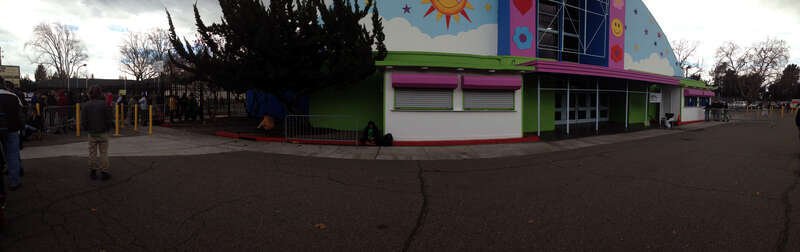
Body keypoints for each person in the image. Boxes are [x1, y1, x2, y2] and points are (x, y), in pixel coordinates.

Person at [82, 86, 113, 181]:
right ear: (100, 93)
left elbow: (84, 120)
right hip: (103, 132)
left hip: (92, 132)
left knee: (92, 153)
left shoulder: (86, 105)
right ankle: (104, 172)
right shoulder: (105, 104)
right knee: (104, 153)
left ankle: (93, 172)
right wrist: (107, 128)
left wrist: (87, 128)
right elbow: (109, 119)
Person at [0, 78, 25, 191]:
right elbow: (20, 114)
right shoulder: (13, 96)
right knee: (13, 154)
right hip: (12, 129)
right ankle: (14, 181)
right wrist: (21, 128)